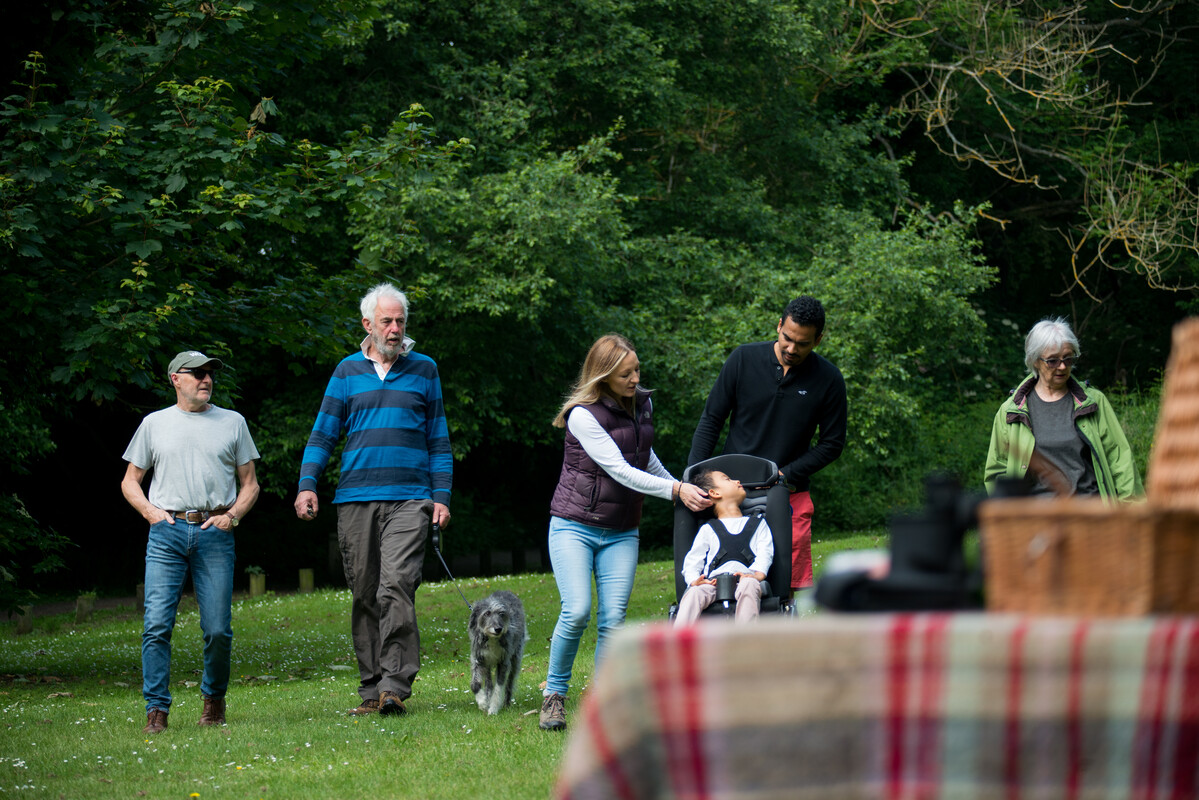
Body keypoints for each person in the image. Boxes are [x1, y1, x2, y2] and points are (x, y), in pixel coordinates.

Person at [294, 283, 452, 717]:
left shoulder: (425, 370)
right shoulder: (346, 372)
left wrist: (441, 497)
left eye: (401, 320)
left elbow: (438, 440)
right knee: (365, 591)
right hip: (356, 499)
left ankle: (394, 687)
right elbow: (323, 434)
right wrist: (308, 484)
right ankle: (370, 690)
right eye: (387, 320)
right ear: (368, 324)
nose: (396, 328)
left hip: (410, 498)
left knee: (396, 586)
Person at [540, 334, 711, 732]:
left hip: (621, 530)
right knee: (577, 609)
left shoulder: (642, 404)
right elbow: (619, 469)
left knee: (613, 619)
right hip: (574, 526)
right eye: (626, 373)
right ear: (604, 376)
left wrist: (677, 490)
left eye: (637, 369)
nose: (636, 378)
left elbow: (643, 455)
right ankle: (554, 695)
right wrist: (676, 489)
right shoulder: (583, 414)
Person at [121, 350, 261, 734]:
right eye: (196, 373)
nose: (206, 379)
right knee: (156, 625)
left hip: (214, 533)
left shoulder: (233, 422)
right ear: (175, 379)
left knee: (217, 628)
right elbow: (130, 481)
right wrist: (151, 513)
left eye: (210, 374)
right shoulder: (155, 424)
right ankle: (156, 711)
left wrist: (231, 516)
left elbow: (250, 485)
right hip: (166, 531)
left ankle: (213, 702)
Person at [688, 296, 847, 593]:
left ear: (818, 340)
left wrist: (786, 474)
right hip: (731, 493)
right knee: (723, 578)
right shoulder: (743, 359)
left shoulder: (829, 379)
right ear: (778, 325)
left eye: (803, 343)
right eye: (788, 338)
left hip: (788, 492)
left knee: (786, 586)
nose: (791, 348)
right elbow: (711, 420)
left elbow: (833, 443)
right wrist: (691, 478)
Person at [984, 317, 1143, 500]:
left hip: (1089, 515)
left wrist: (1133, 514)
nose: (1062, 366)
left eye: (1068, 359)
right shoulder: (1011, 411)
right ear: (1035, 361)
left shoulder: (1093, 402)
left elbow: (1121, 463)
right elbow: (997, 471)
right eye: (1052, 361)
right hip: (1038, 521)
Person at [674, 468, 774, 625]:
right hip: (713, 583)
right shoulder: (708, 529)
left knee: (750, 585)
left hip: (745, 578)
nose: (737, 481)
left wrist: (758, 574)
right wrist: (694, 580)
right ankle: (679, 641)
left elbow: (765, 552)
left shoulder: (758, 524)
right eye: (728, 479)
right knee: (693, 593)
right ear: (714, 493)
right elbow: (693, 560)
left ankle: (745, 638)